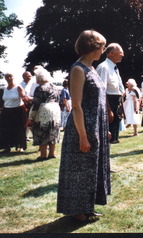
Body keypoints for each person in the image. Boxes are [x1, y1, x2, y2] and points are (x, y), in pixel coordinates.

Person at [57, 30, 110, 222]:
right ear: (93, 47)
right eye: (102, 46)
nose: (103, 50)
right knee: (79, 169)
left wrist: (104, 129)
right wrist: (83, 136)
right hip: (82, 127)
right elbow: (77, 105)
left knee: (91, 169)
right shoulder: (78, 69)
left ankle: (88, 207)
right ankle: (77, 211)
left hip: (95, 126)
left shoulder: (92, 69)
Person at [28, 67, 61, 160]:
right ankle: (52, 153)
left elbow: (36, 104)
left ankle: (43, 155)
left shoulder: (39, 88)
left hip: (44, 111)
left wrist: (31, 116)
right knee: (53, 130)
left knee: (42, 131)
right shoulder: (54, 87)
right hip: (55, 110)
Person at [96, 43, 125, 144]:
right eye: (120, 53)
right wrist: (108, 110)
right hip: (109, 102)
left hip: (116, 101)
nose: (123, 55)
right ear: (112, 53)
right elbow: (101, 91)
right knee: (107, 137)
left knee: (114, 137)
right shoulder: (103, 67)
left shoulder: (114, 68)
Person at [0, 73, 27, 153]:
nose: (9, 78)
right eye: (7, 77)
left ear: (13, 77)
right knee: (5, 129)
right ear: (5, 78)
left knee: (19, 129)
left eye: (10, 76)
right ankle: (6, 147)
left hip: (18, 110)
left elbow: (23, 97)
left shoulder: (18, 87)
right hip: (7, 110)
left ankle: (21, 146)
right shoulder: (4, 88)